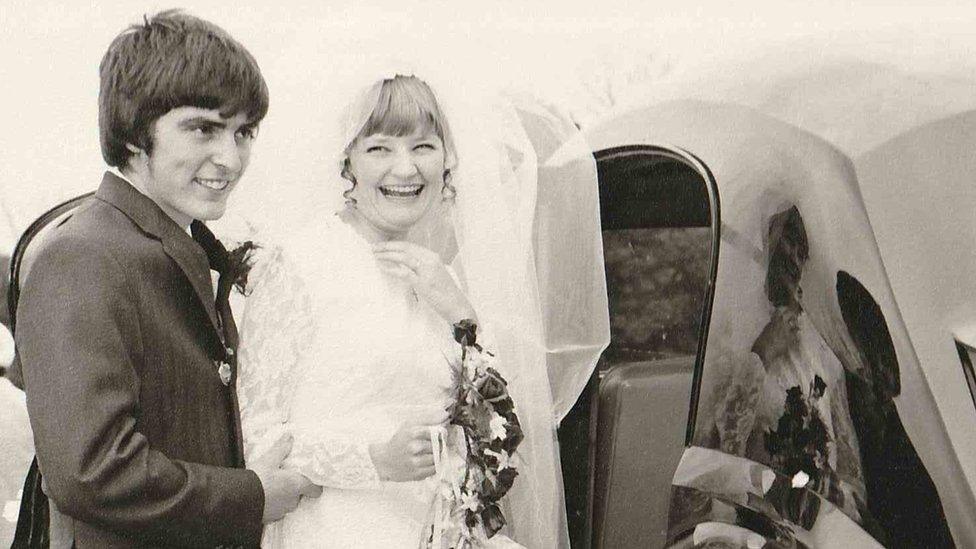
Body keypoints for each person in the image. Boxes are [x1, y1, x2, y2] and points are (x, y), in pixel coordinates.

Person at [235, 70, 606, 548]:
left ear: (447, 159)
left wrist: (460, 314)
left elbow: (495, 429)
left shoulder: (440, 278)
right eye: (380, 148)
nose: (405, 169)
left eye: (423, 147)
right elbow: (252, 433)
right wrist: (372, 459)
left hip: (440, 531)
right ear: (347, 160)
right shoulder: (299, 265)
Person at [10, 10, 318, 547]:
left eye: (244, 132)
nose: (230, 157)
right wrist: (253, 497)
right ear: (134, 132)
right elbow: (92, 472)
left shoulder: (172, 242)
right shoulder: (81, 256)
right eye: (203, 128)